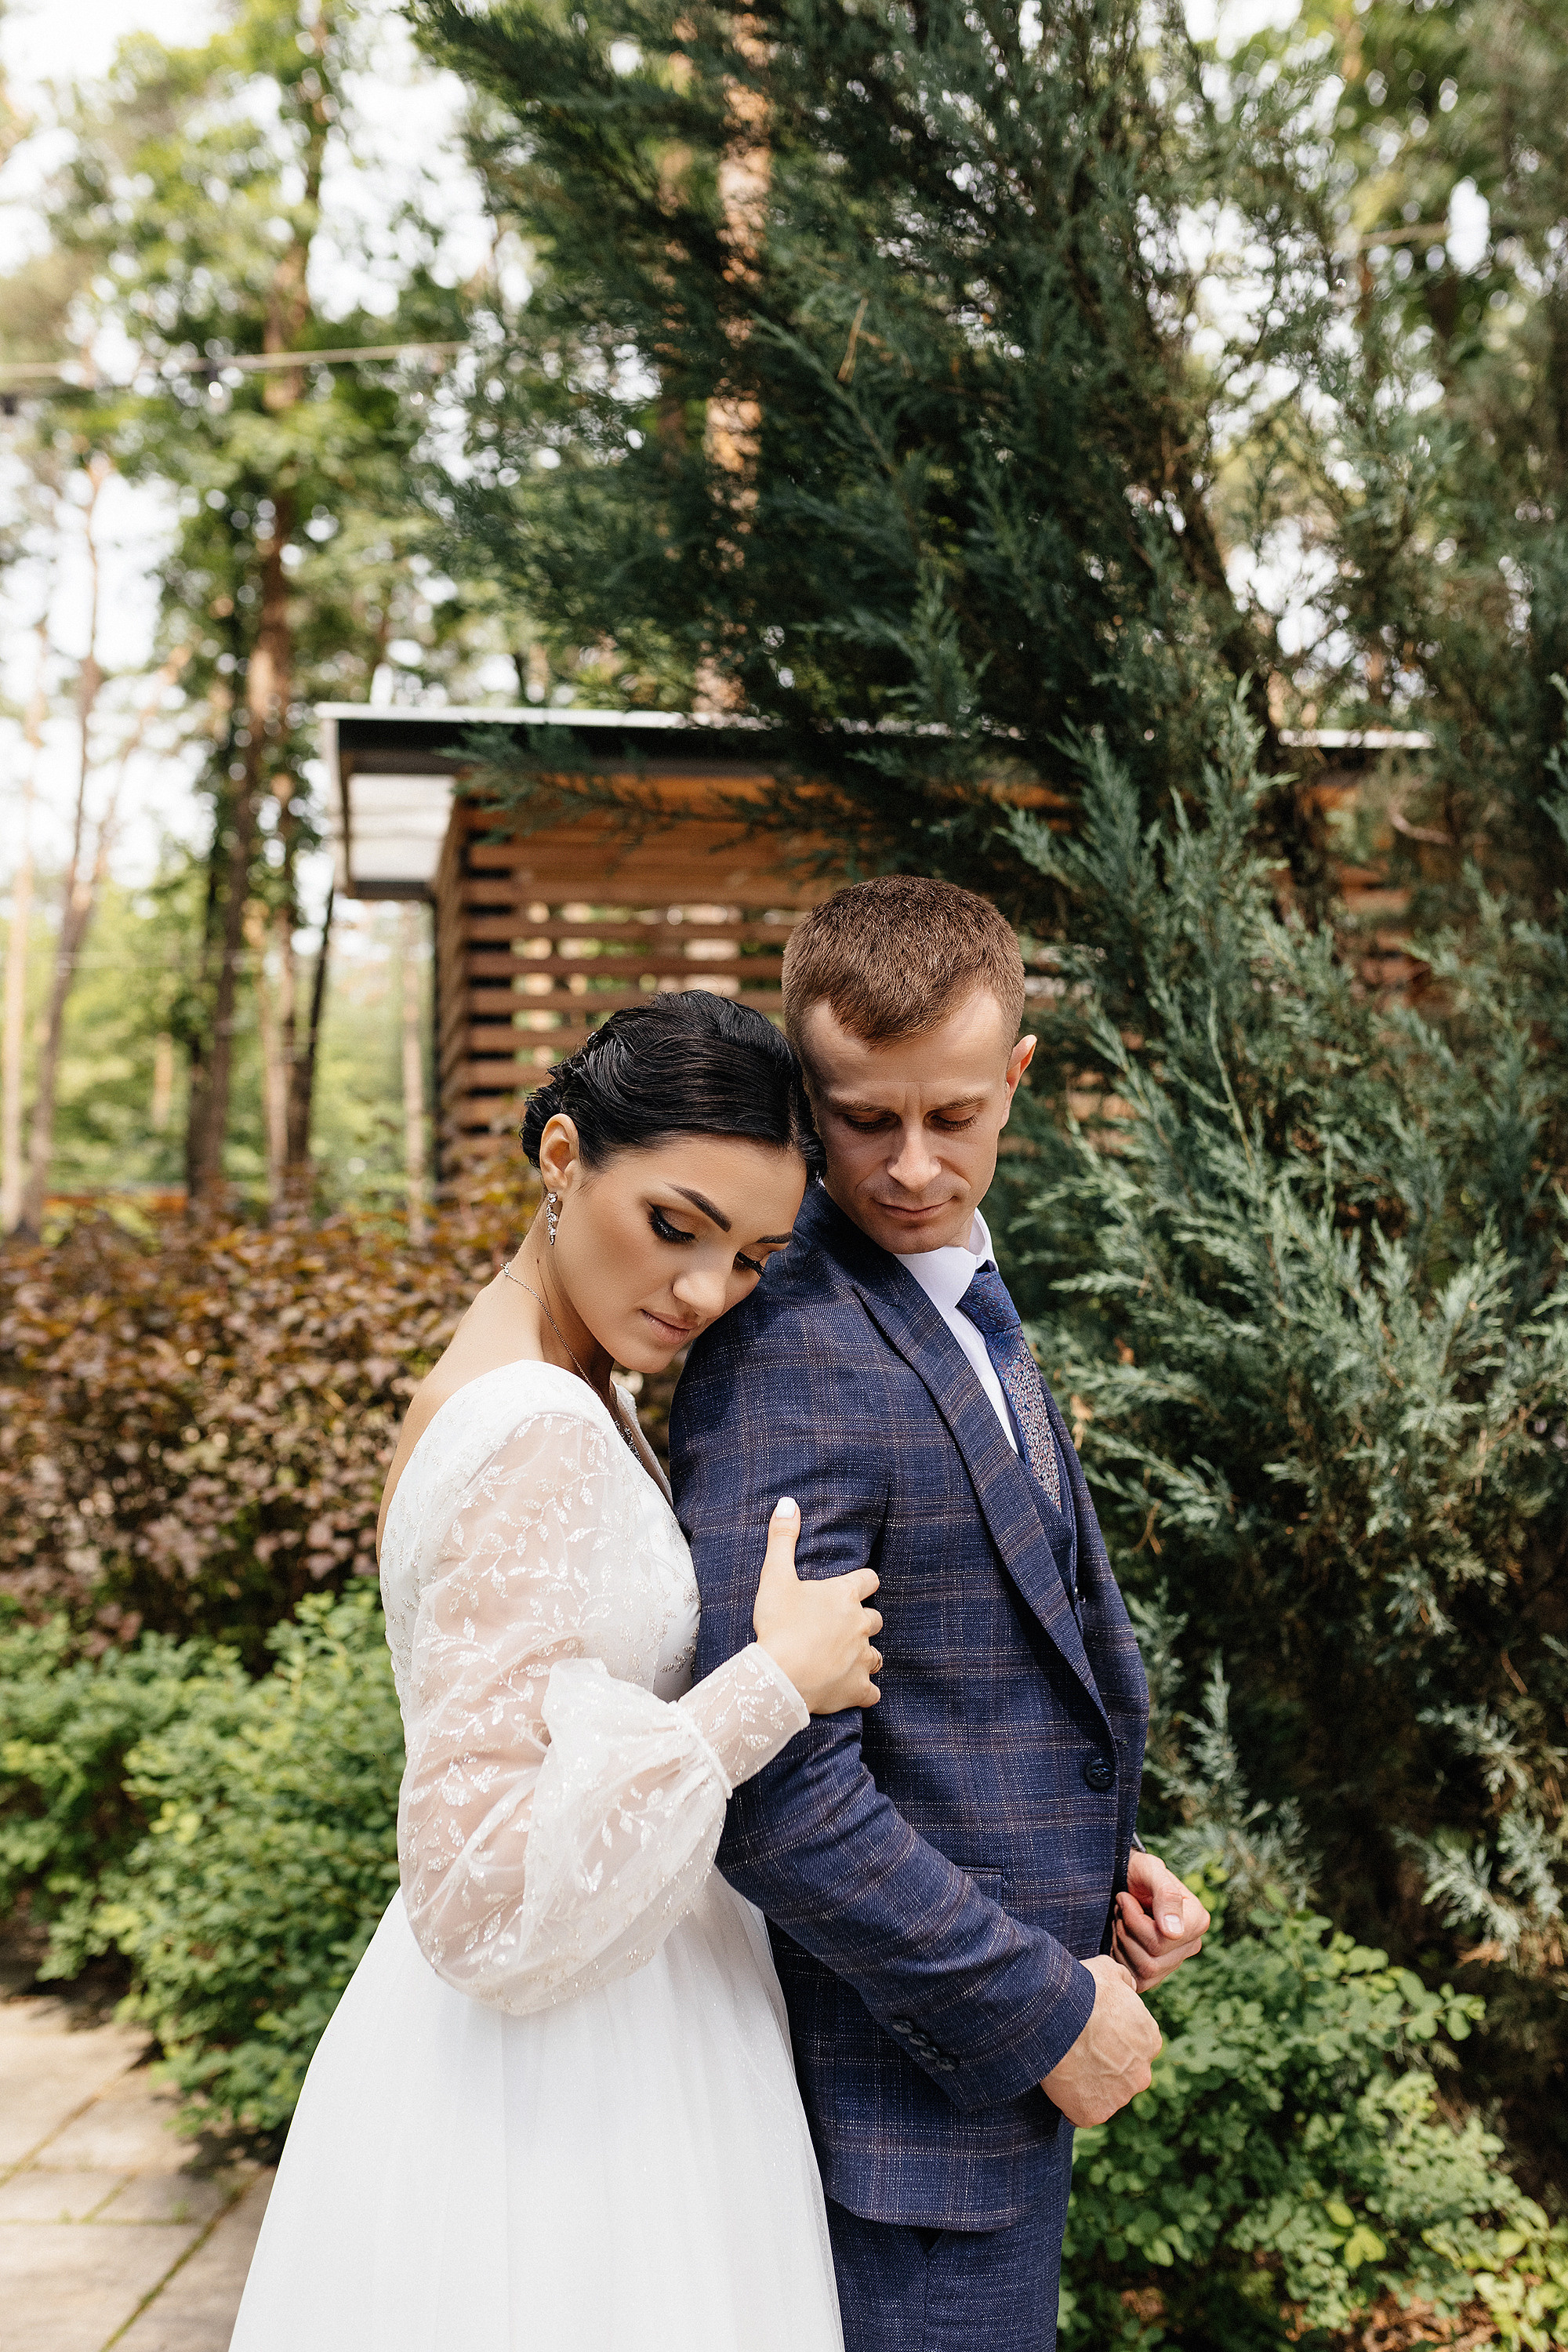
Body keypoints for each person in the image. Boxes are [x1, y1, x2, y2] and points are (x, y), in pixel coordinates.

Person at [229, 993, 884, 2352]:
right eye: (674, 1225)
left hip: (629, 1999)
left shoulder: (565, 1385)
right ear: (563, 1158)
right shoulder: (532, 1423)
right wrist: (770, 1686)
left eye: (754, 1256)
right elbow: (471, 1881)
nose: (706, 1293)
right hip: (568, 2077)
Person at [673, 875, 1211, 2352]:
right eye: (863, 1120)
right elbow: (770, 1782)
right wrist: (1046, 2008)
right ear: (807, 1097)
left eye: (954, 1117)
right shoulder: (786, 1350)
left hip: (977, 2095)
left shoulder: (962, 1291)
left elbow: (964, 1679)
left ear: (1018, 1082)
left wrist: (1091, 1857)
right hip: (895, 2130)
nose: (911, 1167)